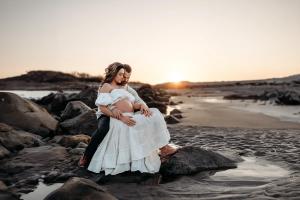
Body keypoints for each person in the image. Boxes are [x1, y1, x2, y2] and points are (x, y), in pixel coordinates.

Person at [79, 62, 177, 168]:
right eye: (122, 75)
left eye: (127, 77)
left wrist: (142, 106)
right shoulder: (106, 86)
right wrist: (115, 111)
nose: (125, 79)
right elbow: (103, 104)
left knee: (153, 115)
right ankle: (86, 156)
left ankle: (162, 148)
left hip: (127, 113)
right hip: (105, 114)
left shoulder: (126, 87)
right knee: (102, 129)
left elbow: (136, 99)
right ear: (115, 73)